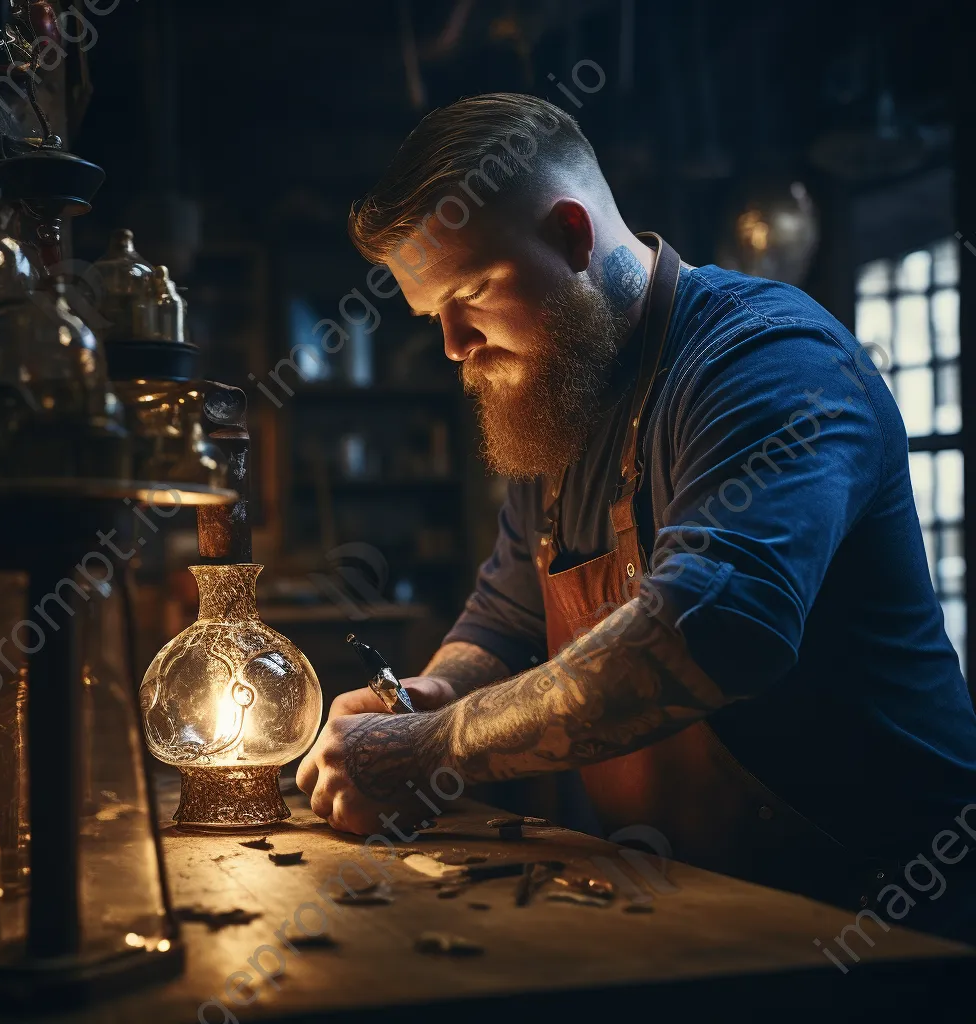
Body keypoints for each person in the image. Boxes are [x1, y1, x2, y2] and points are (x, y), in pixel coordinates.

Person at [296, 93, 976, 934]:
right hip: (703, 903)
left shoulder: (768, 363)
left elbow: (707, 633)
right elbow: (504, 622)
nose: (453, 345)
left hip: (889, 916)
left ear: (573, 236)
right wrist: (426, 697)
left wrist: (432, 749)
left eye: (468, 291)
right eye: (432, 313)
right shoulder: (559, 391)